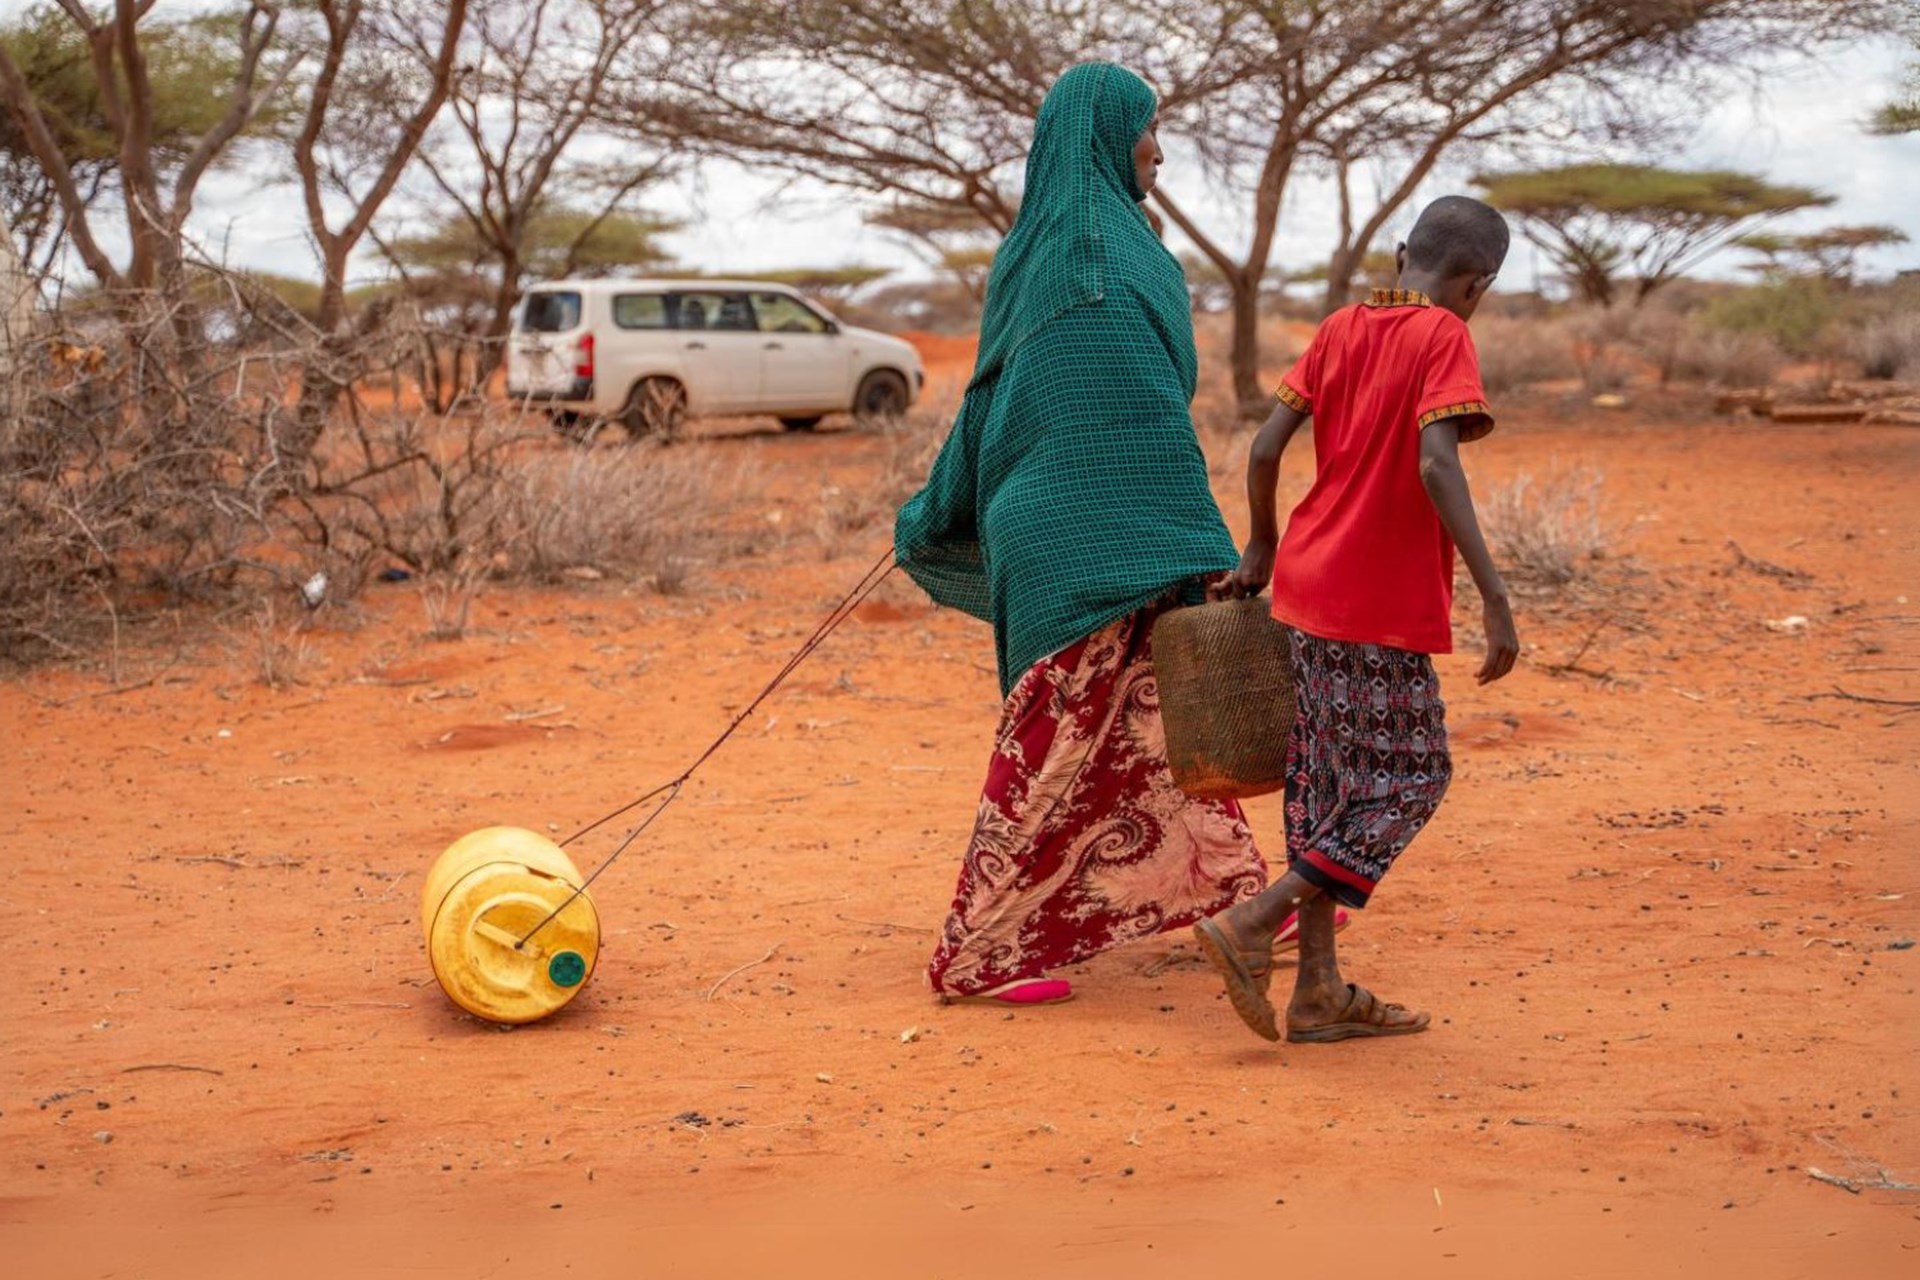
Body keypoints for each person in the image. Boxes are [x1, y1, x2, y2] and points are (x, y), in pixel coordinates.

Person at [896, 62, 1335, 1006]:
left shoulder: (1039, 247)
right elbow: (1131, 410)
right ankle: (980, 953)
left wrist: (947, 501)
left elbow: (991, 404)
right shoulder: (1098, 253)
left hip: (1067, 518)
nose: (1160, 150)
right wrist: (1199, 534)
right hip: (1095, 528)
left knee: (1154, 715)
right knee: (1062, 735)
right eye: (1149, 130)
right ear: (1105, 134)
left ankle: (1236, 896)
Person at [1193, 195, 1519, 1043]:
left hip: (1306, 584)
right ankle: (1255, 921)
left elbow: (1265, 449)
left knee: (1327, 783)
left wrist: (1260, 546)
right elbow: (1437, 463)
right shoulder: (1445, 334)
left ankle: (1318, 994)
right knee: (1413, 777)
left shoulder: (1340, 328)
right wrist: (1493, 593)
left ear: (1403, 249)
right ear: (1479, 284)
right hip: (1376, 603)